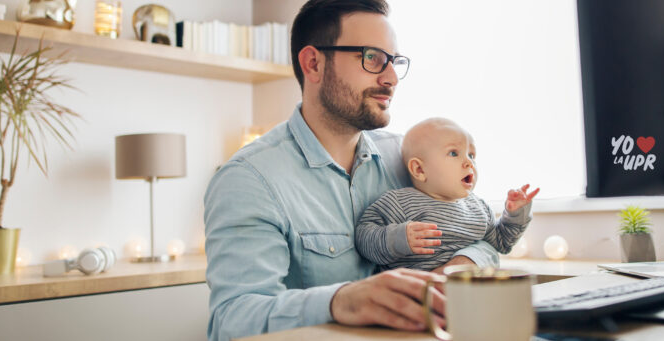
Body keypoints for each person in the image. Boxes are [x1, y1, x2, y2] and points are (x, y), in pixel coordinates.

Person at [202, 1, 500, 340]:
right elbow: (232, 321)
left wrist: (458, 268)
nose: (390, 78)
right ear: (313, 64)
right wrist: (339, 302)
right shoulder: (248, 179)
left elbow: (486, 238)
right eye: (372, 58)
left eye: (394, 62)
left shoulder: (407, 159)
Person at [354, 118, 539, 271]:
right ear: (419, 169)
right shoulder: (399, 203)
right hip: (414, 298)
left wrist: (515, 214)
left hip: (467, 296)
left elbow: (502, 243)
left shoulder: (479, 208)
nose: (469, 163)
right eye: (453, 153)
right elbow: (364, 237)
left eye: (471, 155)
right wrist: (398, 238)